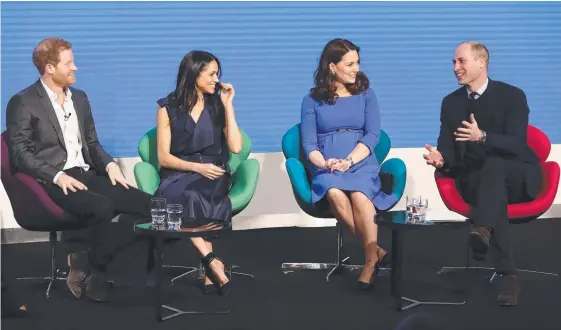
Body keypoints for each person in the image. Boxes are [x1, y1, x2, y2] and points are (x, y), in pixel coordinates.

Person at [5, 38, 152, 303]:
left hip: (85, 173)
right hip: (52, 180)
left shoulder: (80, 99)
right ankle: (99, 272)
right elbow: (20, 154)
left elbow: (92, 144)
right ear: (50, 68)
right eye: (69, 63)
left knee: (150, 206)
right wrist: (56, 175)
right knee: (104, 208)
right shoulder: (23, 102)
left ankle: (87, 258)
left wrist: (109, 166)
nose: (76, 68)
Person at [423, 41, 541, 306]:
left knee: (496, 165)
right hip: (475, 180)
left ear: (481, 62)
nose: (456, 68)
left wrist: (483, 137)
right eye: (453, 63)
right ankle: (506, 270)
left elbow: (517, 144)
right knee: (491, 186)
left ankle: (485, 233)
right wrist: (440, 160)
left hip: (517, 176)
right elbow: (449, 149)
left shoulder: (512, 95)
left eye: (461, 61)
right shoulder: (451, 103)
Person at [300, 39, 398, 290]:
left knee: (360, 194)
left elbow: (372, 135)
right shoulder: (312, 100)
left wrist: (350, 160)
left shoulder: (366, 93)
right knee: (334, 192)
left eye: (357, 63)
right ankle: (376, 250)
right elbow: (309, 145)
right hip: (328, 164)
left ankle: (369, 263)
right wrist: (326, 162)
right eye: (350, 64)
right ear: (332, 66)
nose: (356, 69)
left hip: (360, 160)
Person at [155, 50, 243, 296]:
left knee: (194, 195)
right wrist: (195, 167)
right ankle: (212, 261)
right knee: (173, 196)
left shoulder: (218, 104)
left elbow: (235, 146)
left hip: (213, 172)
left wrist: (228, 106)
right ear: (194, 74)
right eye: (212, 74)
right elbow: (163, 156)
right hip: (179, 171)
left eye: (218, 74)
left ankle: (210, 266)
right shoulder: (167, 107)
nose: (217, 79)